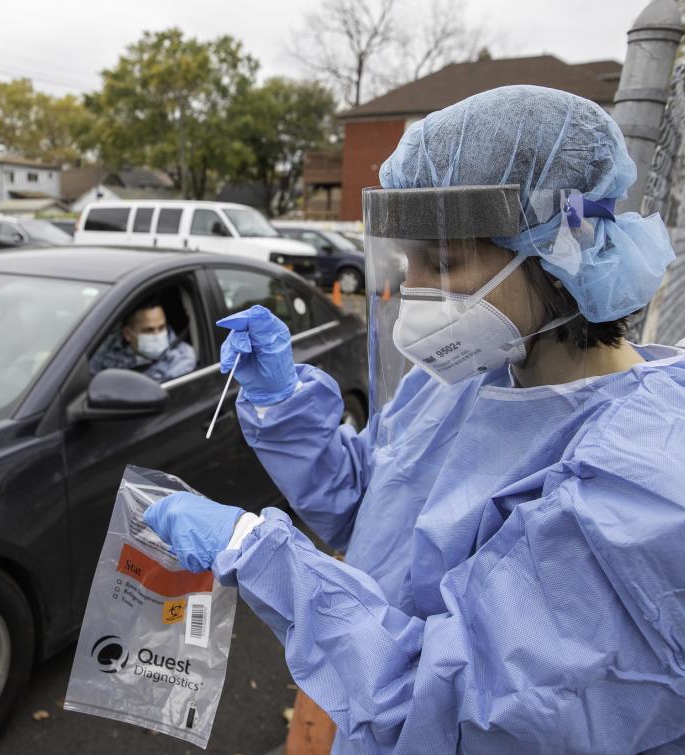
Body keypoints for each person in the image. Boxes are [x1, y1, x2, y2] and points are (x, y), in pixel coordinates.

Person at [144, 86, 685, 752]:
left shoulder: (641, 495)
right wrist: (283, 402)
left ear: (563, 246)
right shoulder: (472, 377)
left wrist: (262, 557)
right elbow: (368, 502)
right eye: (410, 263)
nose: (419, 289)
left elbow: (449, 709)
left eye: (446, 262)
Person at [90, 299, 196, 382]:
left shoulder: (181, 357)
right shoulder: (109, 349)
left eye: (161, 327)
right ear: (127, 334)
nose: (157, 335)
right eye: (149, 330)